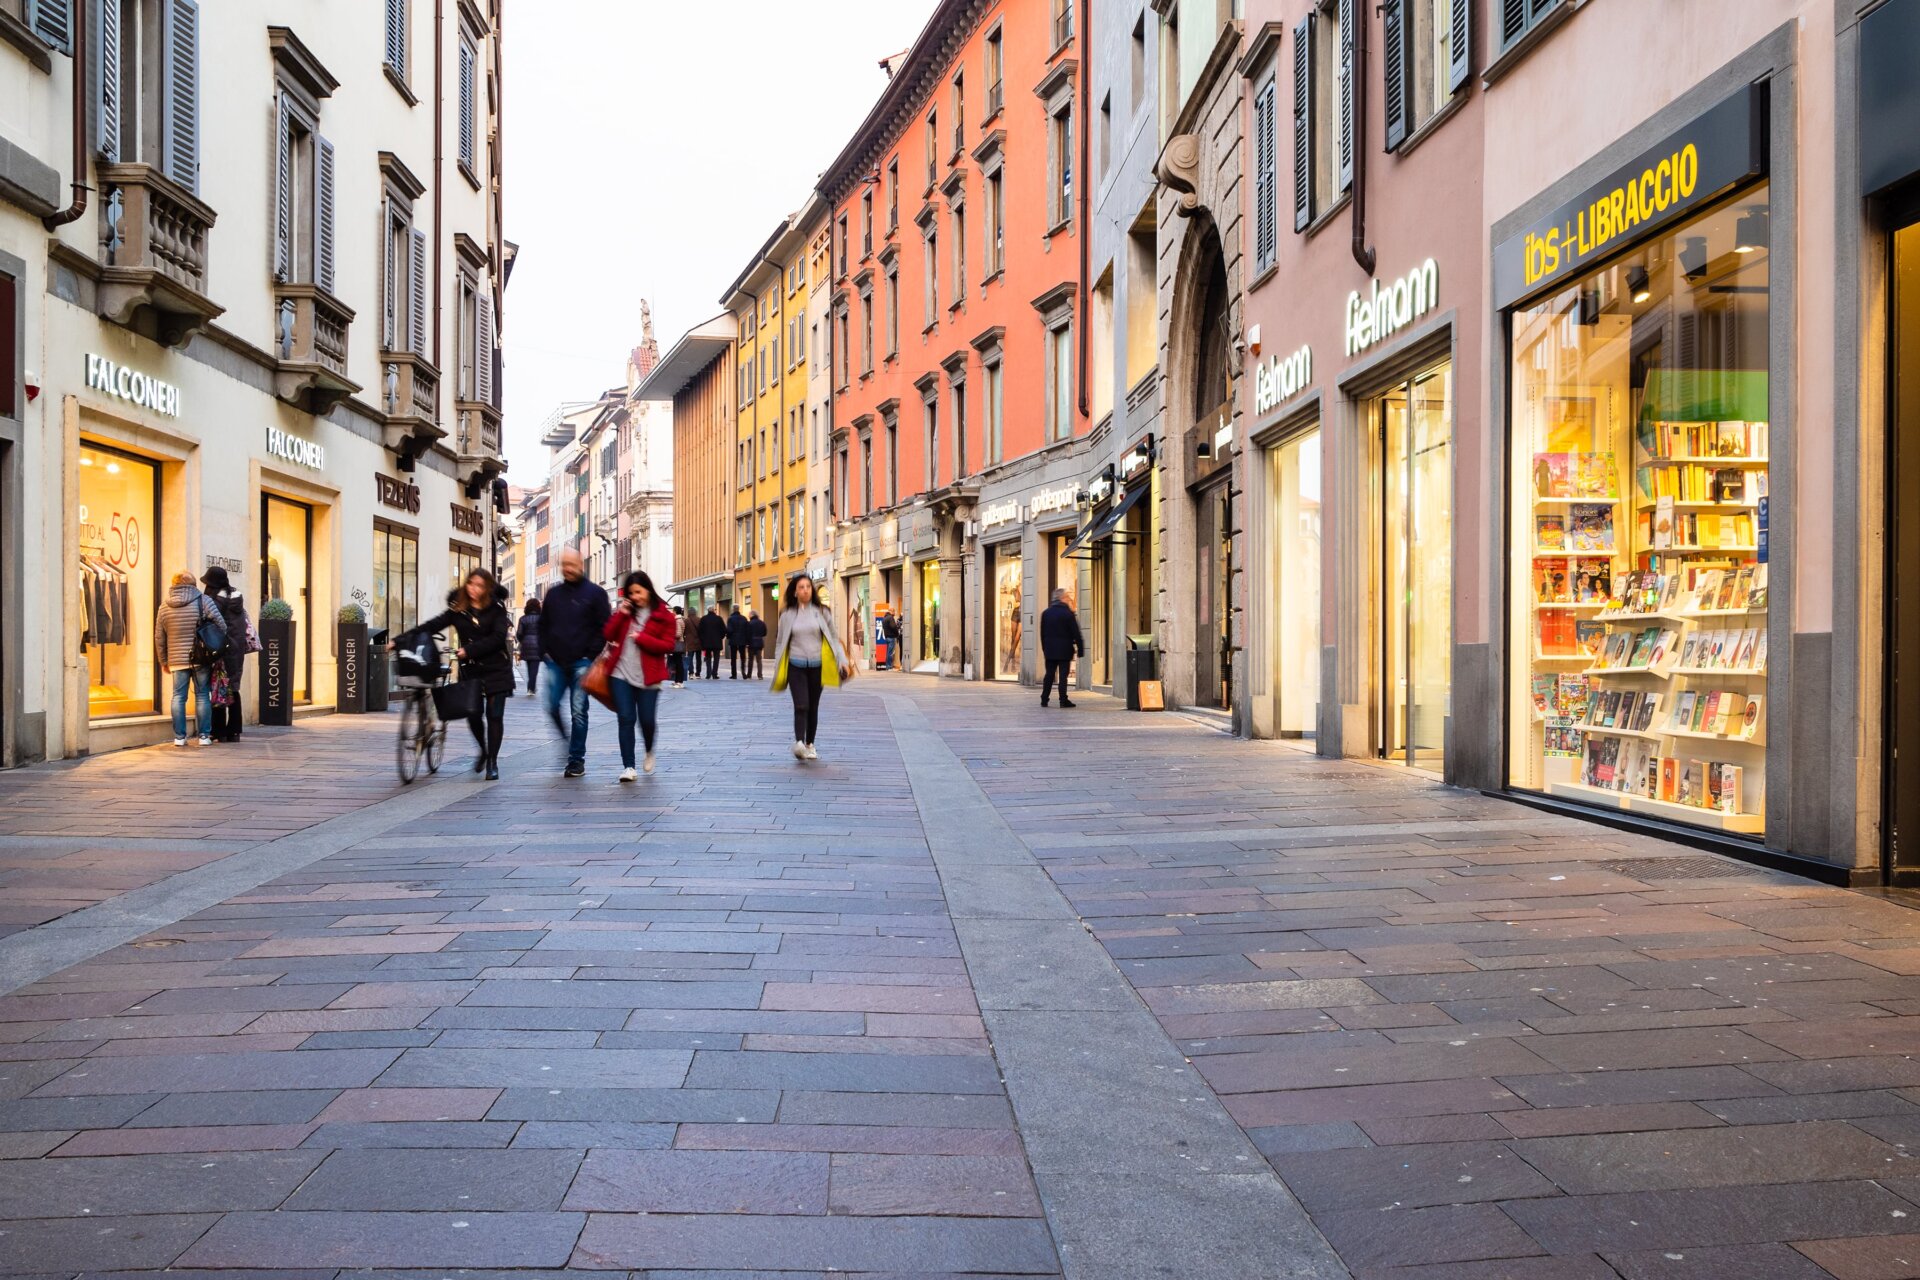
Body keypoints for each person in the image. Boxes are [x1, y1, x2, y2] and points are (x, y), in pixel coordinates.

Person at [415, 568, 513, 779]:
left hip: (497, 668)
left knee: (495, 716)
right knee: (472, 713)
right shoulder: (459, 608)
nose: (474, 589)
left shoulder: (497, 608)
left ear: (487, 588)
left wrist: (469, 650)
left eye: (479, 585)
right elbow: (434, 625)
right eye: (471, 584)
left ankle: (493, 763)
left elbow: (498, 638)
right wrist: (403, 639)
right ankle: (484, 750)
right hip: (472, 669)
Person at [539, 547, 611, 778]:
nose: (568, 569)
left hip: (582, 662)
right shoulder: (553, 594)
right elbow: (543, 625)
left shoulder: (596, 593)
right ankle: (567, 741)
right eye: (564, 565)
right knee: (551, 705)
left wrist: (590, 656)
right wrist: (544, 652)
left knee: (579, 711)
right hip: (555, 662)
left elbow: (604, 628)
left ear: (581, 565)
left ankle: (576, 760)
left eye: (572, 565)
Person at [770, 573, 854, 761]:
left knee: (813, 706)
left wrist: (843, 661)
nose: (805, 590)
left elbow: (833, 637)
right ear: (794, 592)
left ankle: (810, 744)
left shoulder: (822, 612)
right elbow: (779, 642)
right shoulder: (786, 615)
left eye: (808, 586)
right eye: (801, 587)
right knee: (801, 705)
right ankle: (799, 743)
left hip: (818, 665)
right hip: (795, 665)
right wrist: (777, 665)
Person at [603, 570, 677, 780]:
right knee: (625, 718)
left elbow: (668, 645)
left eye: (638, 592)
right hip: (620, 673)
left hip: (649, 676)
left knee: (646, 720)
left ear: (648, 589)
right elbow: (608, 634)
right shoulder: (626, 612)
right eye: (631, 593)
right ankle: (628, 766)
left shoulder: (664, 616)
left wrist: (642, 638)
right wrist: (621, 615)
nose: (635, 597)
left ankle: (649, 749)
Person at [156, 570, 224, 746]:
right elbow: (221, 625)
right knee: (202, 695)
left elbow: (159, 638)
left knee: (178, 696)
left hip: (176, 660)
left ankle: (179, 737)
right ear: (193, 585)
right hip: (201, 657)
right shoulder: (204, 601)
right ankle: (203, 736)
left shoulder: (164, 607)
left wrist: (163, 660)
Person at [200, 565, 252, 742]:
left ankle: (218, 730)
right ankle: (235, 731)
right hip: (236, 651)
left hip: (220, 649)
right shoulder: (236, 598)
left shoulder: (214, 601)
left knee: (218, 687)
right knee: (233, 688)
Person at [1040, 587, 1084, 709]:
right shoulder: (1068, 614)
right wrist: (1080, 648)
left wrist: (1045, 648)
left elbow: (1042, 634)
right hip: (1065, 650)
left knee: (1049, 674)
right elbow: (1076, 632)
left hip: (1050, 650)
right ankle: (1063, 700)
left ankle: (1044, 698)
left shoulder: (1046, 613)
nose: (1069, 599)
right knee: (1063, 676)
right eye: (1067, 597)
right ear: (1061, 598)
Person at [515, 598, 543, 697]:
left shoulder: (523, 619)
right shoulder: (542, 618)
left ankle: (531, 687)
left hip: (526, 645)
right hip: (538, 645)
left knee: (529, 667)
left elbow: (519, 633)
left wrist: (523, 641)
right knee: (534, 669)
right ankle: (531, 688)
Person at [697, 604, 727, 680]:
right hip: (717, 642)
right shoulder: (719, 619)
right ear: (714, 610)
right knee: (716, 658)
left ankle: (708, 674)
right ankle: (714, 674)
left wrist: (703, 640)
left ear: (707, 610)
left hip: (707, 642)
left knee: (708, 658)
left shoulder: (704, 619)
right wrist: (720, 637)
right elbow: (724, 630)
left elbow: (700, 631)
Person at [726, 604, 750, 679]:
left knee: (733, 658)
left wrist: (728, 637)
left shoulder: (730, 619)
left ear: (733, 609)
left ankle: (734, 674)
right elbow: (747, 630)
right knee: (743, 657)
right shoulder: (744, 618)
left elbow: (729, 630)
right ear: (738, 609)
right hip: (742, 640)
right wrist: (747, 640)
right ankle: (743, 673)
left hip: (733, 640)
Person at [669, 605, 689, 689]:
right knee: (678, 663)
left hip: (677, 644)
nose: (672, 612)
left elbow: (678, 634)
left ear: (675, 611)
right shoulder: (681, 619)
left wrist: (670, 635)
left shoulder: (677, 621)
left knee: (678, 663)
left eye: (673, 611)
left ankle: (679, 682)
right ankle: (677, 681)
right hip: (679, 643)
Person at [746, 609, 767, 680]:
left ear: (751, 615)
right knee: (759, 660)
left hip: (751, 643)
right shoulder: (762, 623)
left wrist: (747, 643)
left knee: (750, 660)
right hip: (759, 642)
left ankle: (749, 675)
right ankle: (760, 675)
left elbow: (747, 634)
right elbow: (765, 633)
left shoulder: (749, 623)